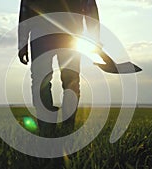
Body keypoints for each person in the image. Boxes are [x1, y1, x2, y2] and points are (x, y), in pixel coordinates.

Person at [18, 0, 100, 137]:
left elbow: (25, 9)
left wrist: (22, 42)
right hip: (62, 34)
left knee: (58, 81)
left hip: (61, 34)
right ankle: (54, 127)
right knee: (65, 81)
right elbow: (89, 7)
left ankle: (53, 128)